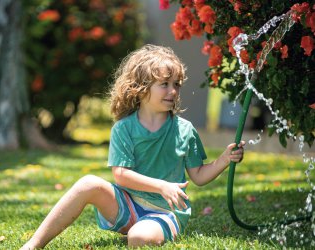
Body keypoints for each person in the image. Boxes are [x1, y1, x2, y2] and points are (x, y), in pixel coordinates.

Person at [21, 44, 245, 249]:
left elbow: (198, 175)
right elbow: (121, 176)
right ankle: (34, 244)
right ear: (141, 88)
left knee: (138, 238)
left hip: (165, 212)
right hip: (126, 206)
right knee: (87, 183)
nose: (173, 91)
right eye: (164, 84)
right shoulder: (124, 128)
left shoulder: (184, 130)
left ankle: (146, 230)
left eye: (176, 84)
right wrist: (161, 186)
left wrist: (224, 159)